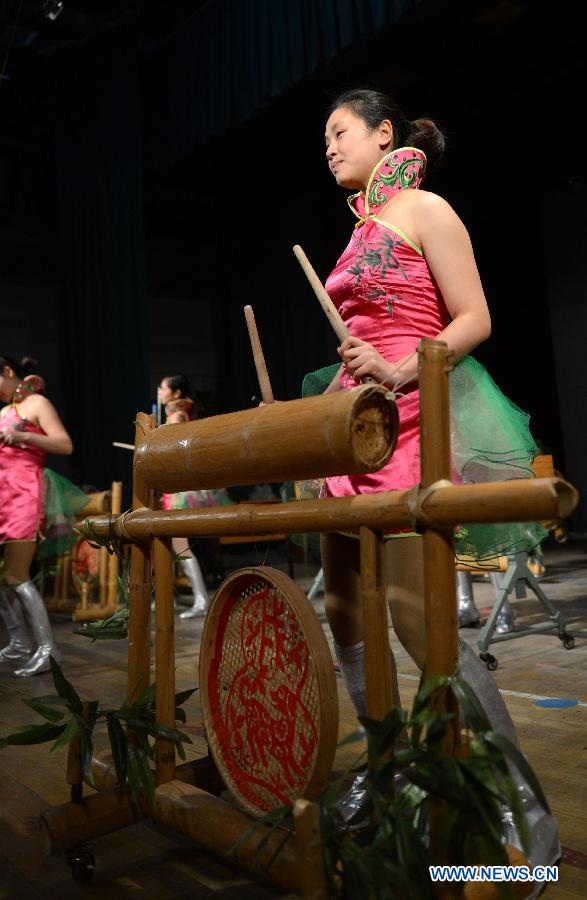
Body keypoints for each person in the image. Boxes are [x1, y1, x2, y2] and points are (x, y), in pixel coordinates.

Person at [316, 89, 557, 867]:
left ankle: (522, 818)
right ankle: (391, 774)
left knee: (422, 628)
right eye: (323, 139)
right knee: (348, 619)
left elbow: (473, 318)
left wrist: (395, 368)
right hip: (353, 431)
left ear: (385, 134)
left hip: (410, 421)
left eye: (340, 132)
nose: (328, 146)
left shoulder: (425, 207)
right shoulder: (354, 233)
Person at [0, 355, 73, 676]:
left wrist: (25, 436)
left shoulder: (37, 403)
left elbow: (64, 444)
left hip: (24, 493)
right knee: (3, 578)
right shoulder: (3, 412)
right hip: (3, 493)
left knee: (16, 574)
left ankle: (49, 650)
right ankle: (18, 643)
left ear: (8, 372)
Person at [158, 374, 230, 617]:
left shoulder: (176, 417)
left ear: (176, 394)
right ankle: (173, 596)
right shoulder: (180, 415)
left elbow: (170, 450)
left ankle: (201, 599)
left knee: (180, 545)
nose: (159, 391)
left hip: (180, 491)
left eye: (163, 388)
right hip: (176, 489)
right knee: (171, 545)